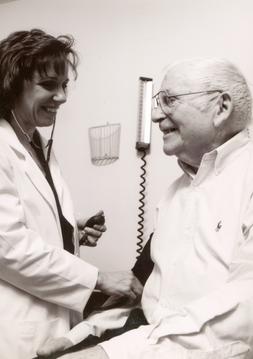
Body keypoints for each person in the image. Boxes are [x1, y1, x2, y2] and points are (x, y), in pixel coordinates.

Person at [38, 57, 253, 359]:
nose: (154, 115)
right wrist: (86, 332)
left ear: (221, 108)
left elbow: (241, 317)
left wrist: (105, 354)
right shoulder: (173, 195)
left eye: (169, 100)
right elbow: (152, 303)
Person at [0, 28, 143, 359]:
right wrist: (99, 278)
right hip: (14, 325)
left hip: (51, 318)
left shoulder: (35, 142)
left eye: (64, 85)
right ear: (11, 84)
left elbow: (25, 219)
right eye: (49, 85)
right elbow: (9, 247)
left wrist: (69, 231)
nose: (62, 96)